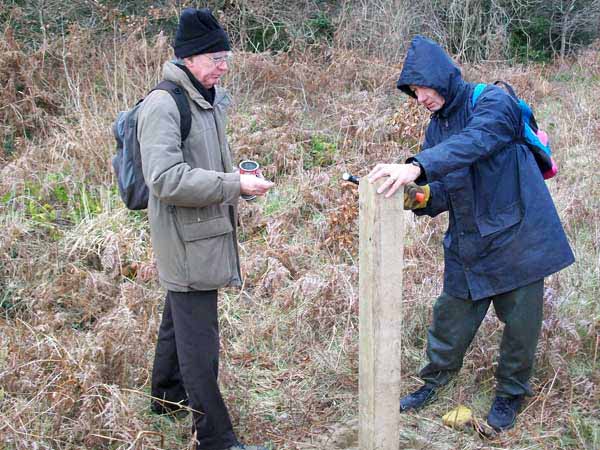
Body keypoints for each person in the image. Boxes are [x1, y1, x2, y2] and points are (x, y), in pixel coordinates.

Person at [368, 35, 574, 432]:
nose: (420, 99)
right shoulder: (435, 130)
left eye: (421, 88)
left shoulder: (494, 103)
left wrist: (416, 166)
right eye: (412, 93)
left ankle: (510, 394)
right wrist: (416, 196)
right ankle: (435, 381)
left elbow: (476, 141)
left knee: (521, 325)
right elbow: (445, 186)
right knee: (450, 315)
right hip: (469, 240)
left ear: (440, 78)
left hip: (518, 234)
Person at [137, 8, 274, 450]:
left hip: (202, 232)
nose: (223, 66)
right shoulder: (164, 104)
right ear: (189, 59)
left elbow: (201, 166)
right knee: (201, 345)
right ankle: (216, 439)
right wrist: (235, 184)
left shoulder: (205, 100)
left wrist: (236, 180)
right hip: (185, 238)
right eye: (215, 58)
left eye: (225, 57)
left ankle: (166, 401)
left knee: (179, 322)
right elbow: (165, 179)